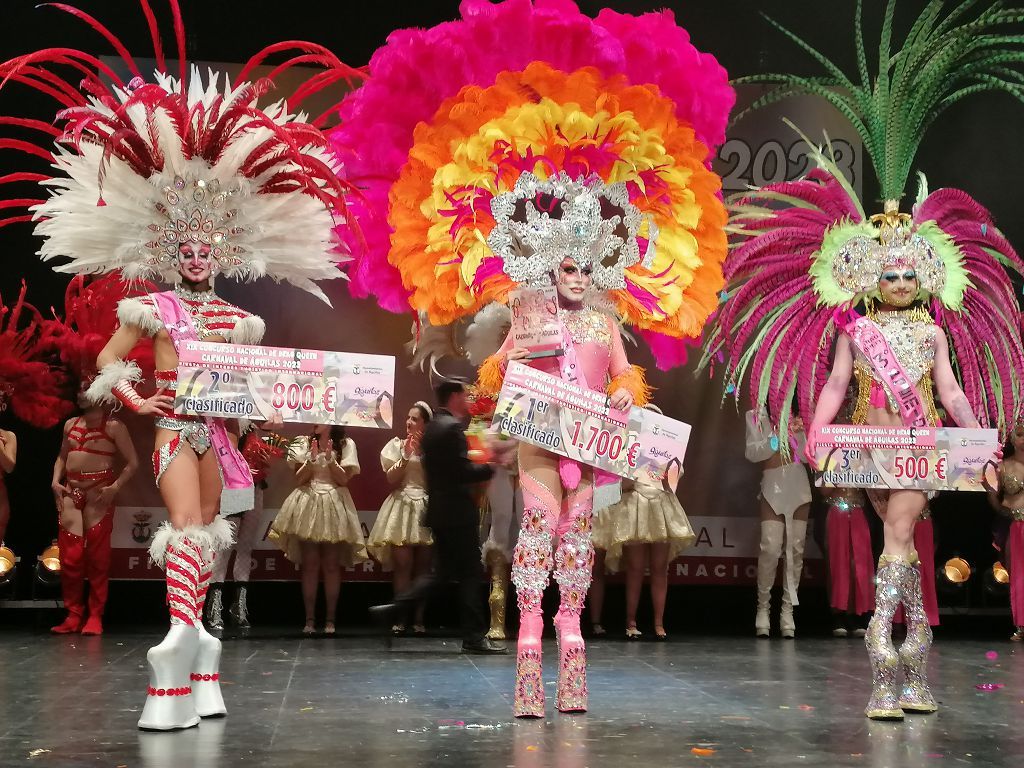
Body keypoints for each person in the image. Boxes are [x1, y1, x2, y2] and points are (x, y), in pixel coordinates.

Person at [336, 1, 731, 718]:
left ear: (599, 268)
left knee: (580, 543)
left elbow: (623, 377)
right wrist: (517, 366)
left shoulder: (608, 319)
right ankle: (526, 641)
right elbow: (495, 375)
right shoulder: (526, 312)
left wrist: (623, 398)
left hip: (594, 448)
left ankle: (570, 636)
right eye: (567, 268)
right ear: (552, 267)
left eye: (587, 268)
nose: (576, 277)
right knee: (538, 534)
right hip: (544, 445)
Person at [4, 1, 361, 730]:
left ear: (223, 253)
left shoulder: (238, 319)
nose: (197, 256)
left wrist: (271, 423)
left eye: (207, 248)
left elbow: (255, 385)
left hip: (218, 438)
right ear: (173, 251)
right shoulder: (154, 311)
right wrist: (136, 405)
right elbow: (107, 365)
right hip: (173, 430)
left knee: (201, 534)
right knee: (181, 526)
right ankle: (177, 651)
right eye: (186, 248)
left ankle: (197, 658)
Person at [702, 0, 1024, 722]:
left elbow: (952, 392)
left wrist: (978, 439)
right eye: (891, 276)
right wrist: (817, 433)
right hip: (866, 444)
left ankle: (886, 667)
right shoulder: (855, 331)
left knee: (901, 537)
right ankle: (914, 671)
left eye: (911, 276)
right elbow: (838, 384)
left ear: (928, 279)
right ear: (872, 279)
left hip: (916, 444)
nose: (902, 285)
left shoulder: (935, 335)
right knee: (896, 544)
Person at [370, 382, 505, 655]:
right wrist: (491, 467)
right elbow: (461, 472)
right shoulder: (452, 429)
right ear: (454, 397)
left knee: (440, 574)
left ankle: (393, 610)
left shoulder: (432, 429)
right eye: (464, 396)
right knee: (468, 573)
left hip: (439, 511)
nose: (467, 400)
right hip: (457, 512)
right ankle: (474, 637)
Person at [50, 401, 138, 634]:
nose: (81, 392)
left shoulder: (114, 426)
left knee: (98, 558)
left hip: (98, 491)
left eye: (87, 387)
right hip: (71, 491)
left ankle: (95, 616)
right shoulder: (71, 424)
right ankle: (73, 614)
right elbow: (62, 456)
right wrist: (55, 481)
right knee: (70, 557)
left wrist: (115, 488)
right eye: (80, 387)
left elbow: (133, 463)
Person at [270, 425, 367, 635]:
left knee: (331, 564)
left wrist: (331, 459)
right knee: (310, 564)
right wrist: (311, 460)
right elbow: (299, 479)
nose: (315, 421)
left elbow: (343, 480)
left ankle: (330, 619)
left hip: (333, 502)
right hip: (309, 502)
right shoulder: (303, 442)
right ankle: (310, 619)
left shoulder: (346, 444)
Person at [205, 427, 286, 636]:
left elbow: (274, 425)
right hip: (235, 485)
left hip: (256, 485)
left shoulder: (253, 421)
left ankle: (238, 607)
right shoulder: (229, 419)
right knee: (224, 546)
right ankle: (214, 608)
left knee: (245, 546)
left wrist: (266, 451)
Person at [600, 470, 696, 641]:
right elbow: (622, 481)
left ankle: (659, 623)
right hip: (634, 503)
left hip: (661, 504)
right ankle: (631, 622)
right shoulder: (631, 444)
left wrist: (668, 475)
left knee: (659, 568)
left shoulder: (668, 444)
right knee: (635, 568)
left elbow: (672, 481)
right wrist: (629, 476)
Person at [367, 403, 434, 635]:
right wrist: (405, 455)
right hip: (402, 506)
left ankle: (419, 619)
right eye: (408, 417)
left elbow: (435, 481)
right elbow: (391, 478)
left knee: (423, 569)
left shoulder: (432, 449)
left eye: (415, 419)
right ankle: (400, 618)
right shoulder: (396, 446)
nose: (408, 422)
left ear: (425, 423)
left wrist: (424, 453)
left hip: (425, 508)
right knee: (403, 566)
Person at [745, 409, 811, 639]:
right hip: (772, 484)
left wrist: (801, 432)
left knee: (796, 550)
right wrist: (774, 435)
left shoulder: (803, 412)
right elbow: (752, 453)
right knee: (770, 548)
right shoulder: (756, 414)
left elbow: (808, 456)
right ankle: (763, 608)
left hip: (798, 482)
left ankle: (788, 611)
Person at [823, 487, 874, 638]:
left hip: (859, 511)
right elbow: (823, 490)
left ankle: (858, 614)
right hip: (837, 510)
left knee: (860, 566)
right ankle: (839, 615)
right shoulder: (829, 461)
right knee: (839, 565)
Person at [991, 425, 1024, 641]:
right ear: (1011, 436)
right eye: (1020, 434)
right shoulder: (1003, 467)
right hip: (1017, 526)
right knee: (1020, 577)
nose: (1023, 439)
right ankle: (1021, 625)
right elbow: (994, 498)